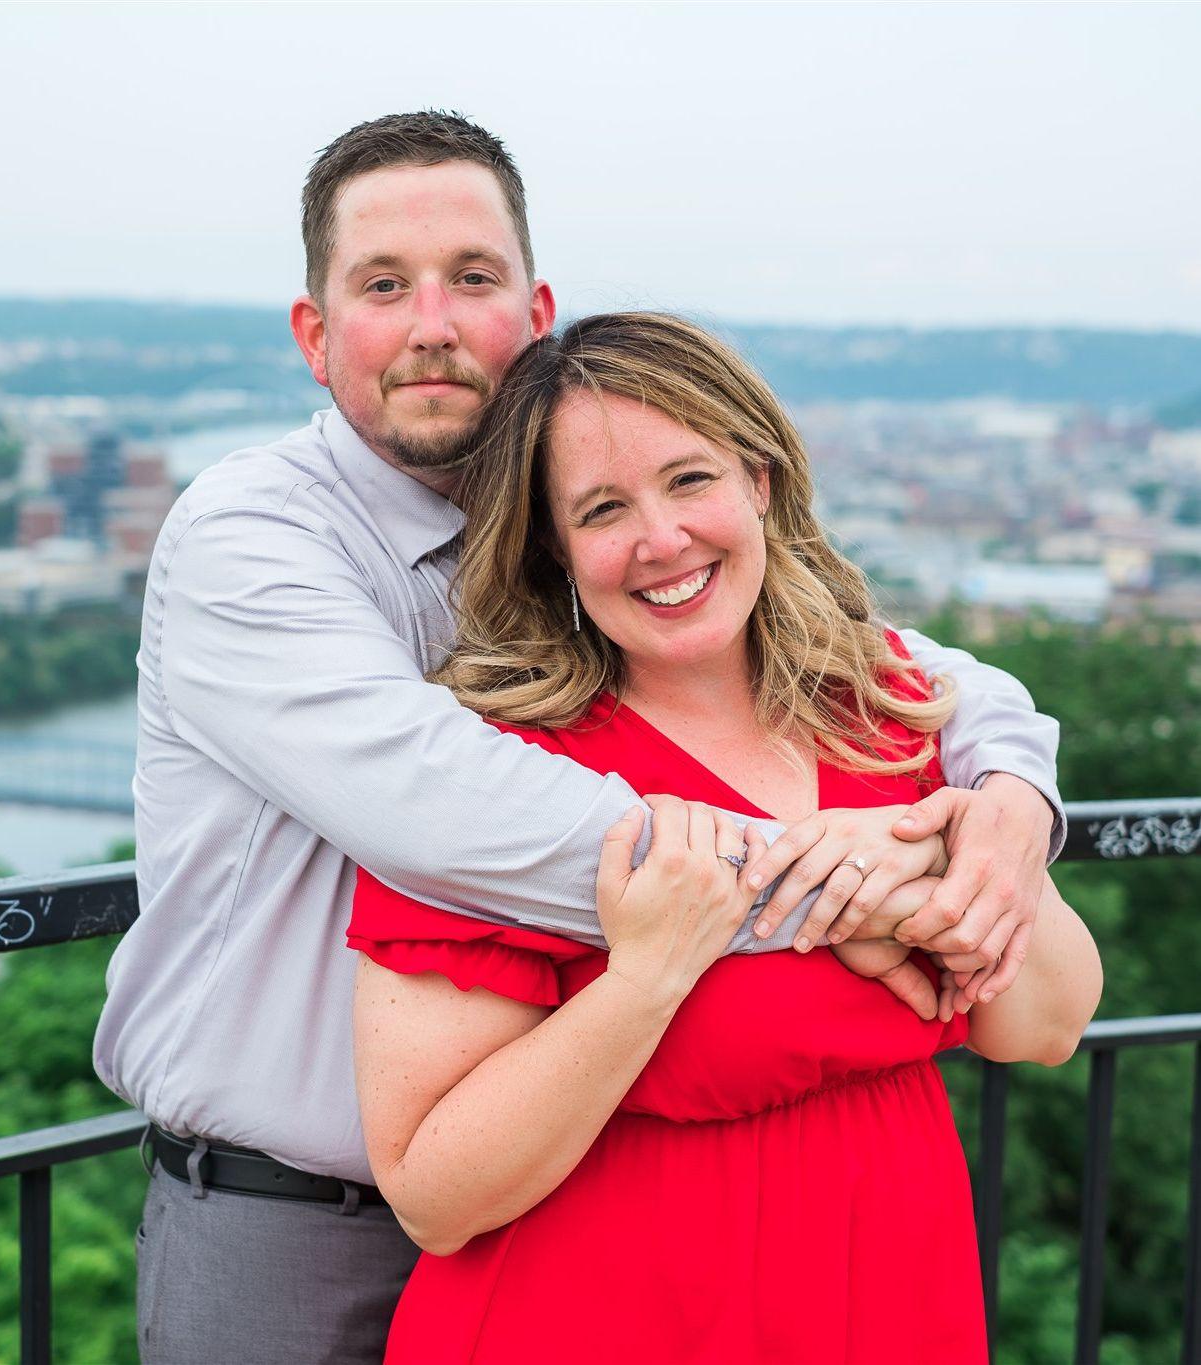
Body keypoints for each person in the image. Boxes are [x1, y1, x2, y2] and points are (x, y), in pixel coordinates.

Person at [93, 112, 1066, 1364]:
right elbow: (446, 810)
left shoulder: (587, 550)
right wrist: (861, 892)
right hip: (295, 1220)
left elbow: (916, 674)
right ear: (316, 335)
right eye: (383, 287)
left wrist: (1009, 803)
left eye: (473, 279)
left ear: (535, 312)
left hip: (578, 1188)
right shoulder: (254, 537)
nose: (434, 324)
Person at [350, 312, 1103, 1363]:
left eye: (690, 480)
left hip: (886, 1295)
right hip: (599, 1322)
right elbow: (434, 1195)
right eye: (603, 509)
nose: (662, 539)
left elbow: (1047, 1025)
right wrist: (647, 977)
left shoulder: (887, 708)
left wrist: (947, 856)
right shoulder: (500, 778)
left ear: (758, 480)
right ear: (553, 547)